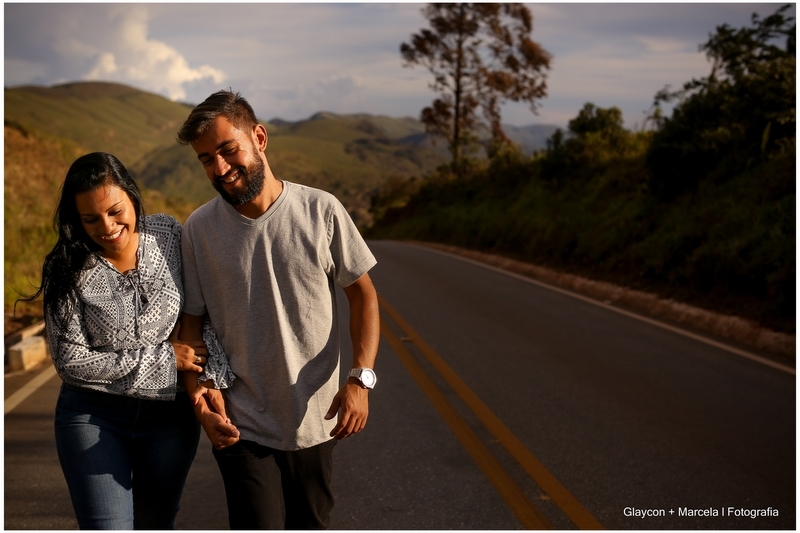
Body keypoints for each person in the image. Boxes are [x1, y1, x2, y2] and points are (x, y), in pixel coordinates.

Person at [175, 89, 380, 529]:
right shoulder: (198, 231)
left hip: (315, 419)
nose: (221, 168)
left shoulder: (321, 211)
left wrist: (360, 378)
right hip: (241, 421)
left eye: (229, 150)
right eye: (207, 159)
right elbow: (190, 330)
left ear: (260, 138)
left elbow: (363, 294)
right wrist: (199, 402)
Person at [23, 152, 235, 529]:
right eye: (90, 219)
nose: (106, 227)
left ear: (132, 197)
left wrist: (209, 381)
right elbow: (71, 361)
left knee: (156, 523)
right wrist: (166, 359)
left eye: (115, 211)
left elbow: (198, 314)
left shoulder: (167, 234)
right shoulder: (67, 267)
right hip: (93, 416)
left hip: (170, 417)